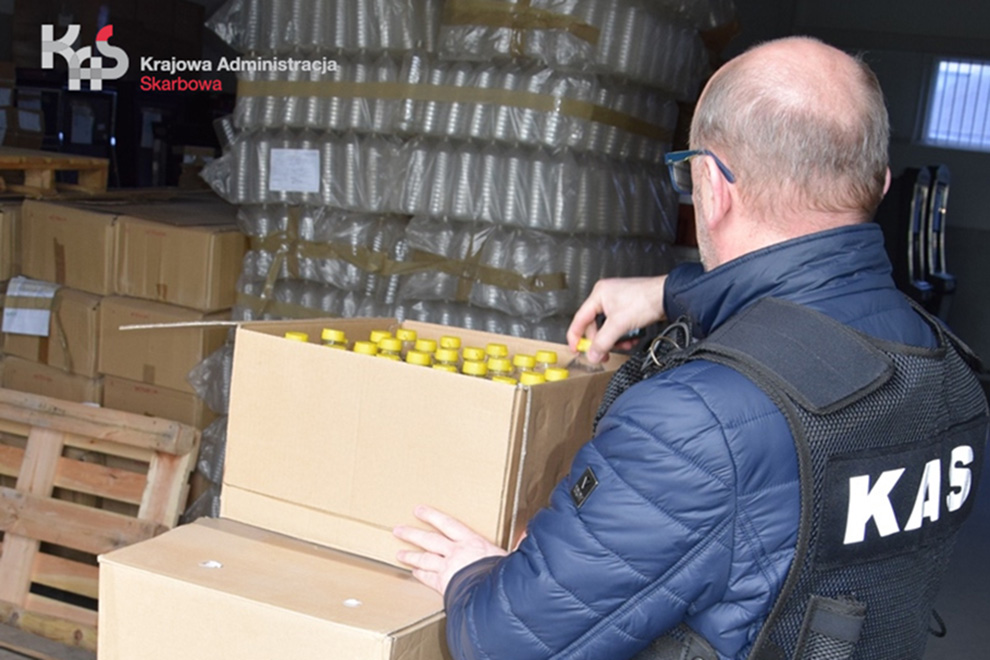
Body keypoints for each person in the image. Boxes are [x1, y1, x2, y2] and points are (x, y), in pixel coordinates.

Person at [392, 36, 989, 660]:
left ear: (711, 181)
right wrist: (668, 291)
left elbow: (507, 644)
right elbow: (814, 312)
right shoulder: (941, 365)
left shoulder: (696, 422)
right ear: (881, 183)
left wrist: (475, 574)